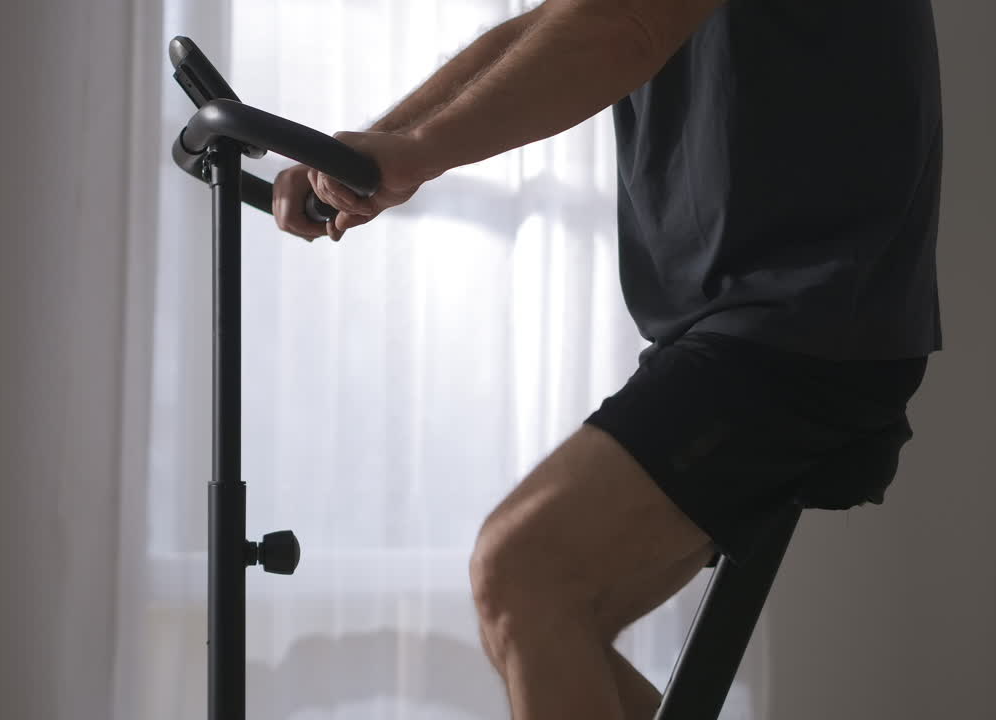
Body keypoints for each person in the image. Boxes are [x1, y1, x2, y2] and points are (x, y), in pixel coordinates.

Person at [271, 0, 941, 717]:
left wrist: (421, 148)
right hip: (749, 323)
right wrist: (374, 146)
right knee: (533, 611)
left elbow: (625, 28)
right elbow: (551, 24)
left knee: (525, 574)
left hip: (806, 318)